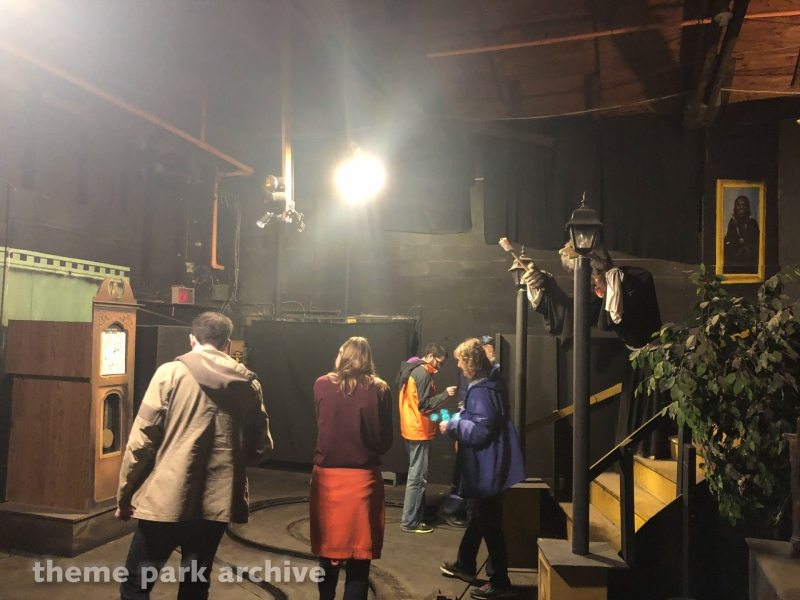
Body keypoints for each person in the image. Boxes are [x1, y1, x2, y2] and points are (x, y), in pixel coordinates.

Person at [116, 312, 272, 600]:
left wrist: (125, 496)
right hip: (217, 503)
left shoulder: (169, 374)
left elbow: (140, 443)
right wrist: (229, 463)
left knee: (136, 584)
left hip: (166, 499)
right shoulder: (249, 385)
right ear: (227, 344)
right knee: (195, 585)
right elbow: (262, 446)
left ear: (192, 340)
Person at [522, 241, 667, 457]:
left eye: (587, 273)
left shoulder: (633, 278)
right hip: (635, 361)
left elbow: (628, 312)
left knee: (651, 430)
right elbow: (572, 312)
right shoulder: (598, 291)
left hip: (655, 360)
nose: (586, 281)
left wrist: (608, 278)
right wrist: (546, 285)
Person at [439, 338, 525, 600]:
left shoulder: (480, 390)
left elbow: (480, 431)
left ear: (470, 363)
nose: (458, 365)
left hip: (486, 467)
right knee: (479, 516)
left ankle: (500, 581)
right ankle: (465, 564)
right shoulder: (492, 383)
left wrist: (452, 425)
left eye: (460, 361)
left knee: (489, 523)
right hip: (491, 463)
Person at [310, 337, 393, 600]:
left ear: (342, 355)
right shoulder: (379, 389)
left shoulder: (321, 384)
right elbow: (384, 441)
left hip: (327, 481)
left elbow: (322, 422)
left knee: (327, 552)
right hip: (363, 481)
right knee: (359, 561)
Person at [396, 342, 456, 533]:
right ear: (430, 356)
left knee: (416, 476)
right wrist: (445, 395)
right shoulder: (422, 374)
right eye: (439, 362)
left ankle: (414, 518)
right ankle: (410, 522)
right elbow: (424, 406)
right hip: (419, 431)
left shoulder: (412, 370)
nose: (440, 367)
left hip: (412, 428)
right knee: (417, 478)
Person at [724, 195, 760, 274]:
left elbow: (756, 243)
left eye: (744, 205)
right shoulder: (732, 223)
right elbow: (729, 242)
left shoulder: (753, 223)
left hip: (751, 263)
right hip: (735, 263)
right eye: (739, 205)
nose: (741, 208)